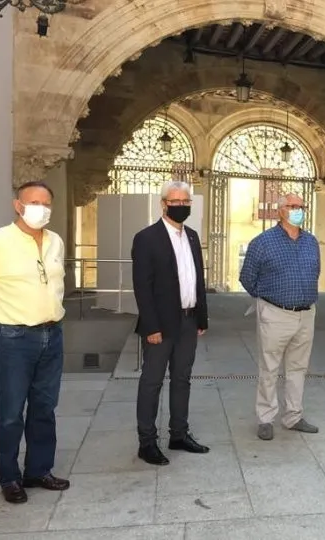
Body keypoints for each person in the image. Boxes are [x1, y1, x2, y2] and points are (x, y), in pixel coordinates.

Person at [0, 181, 70, 504]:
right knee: (10, 413)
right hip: (12, 338)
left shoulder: (55, 242)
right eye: (34, 201)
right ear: (18, 206)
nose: (41, 207)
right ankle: (9, 477)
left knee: (44, 407)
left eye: (47, 202)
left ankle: (38, 470)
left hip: (52, 335)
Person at [132, 180, 210, 465]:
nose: (181, 206)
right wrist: (151, 327)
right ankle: (147, 442)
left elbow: (197, 279)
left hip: (189, 321)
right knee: (152, 382)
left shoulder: (191, 236)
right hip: (160, 325)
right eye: (175, 202)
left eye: (185, 202)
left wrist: (201, 317)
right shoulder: (147, 238)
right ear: (163, 204)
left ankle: (178, 434)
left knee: (182, 379)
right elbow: (142, 286)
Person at [240, 193, 320, 441]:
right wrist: (266, 301)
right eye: (292, 206)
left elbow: (315, 272)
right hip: (275, 313)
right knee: (270, 368)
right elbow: (247, 278)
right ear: (280, 211)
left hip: (306, 314)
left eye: (301, 206)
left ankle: (293, 416)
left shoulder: (311, 241)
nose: (298, 210)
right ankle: (266, 418)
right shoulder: (262, 242)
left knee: (298, 368)